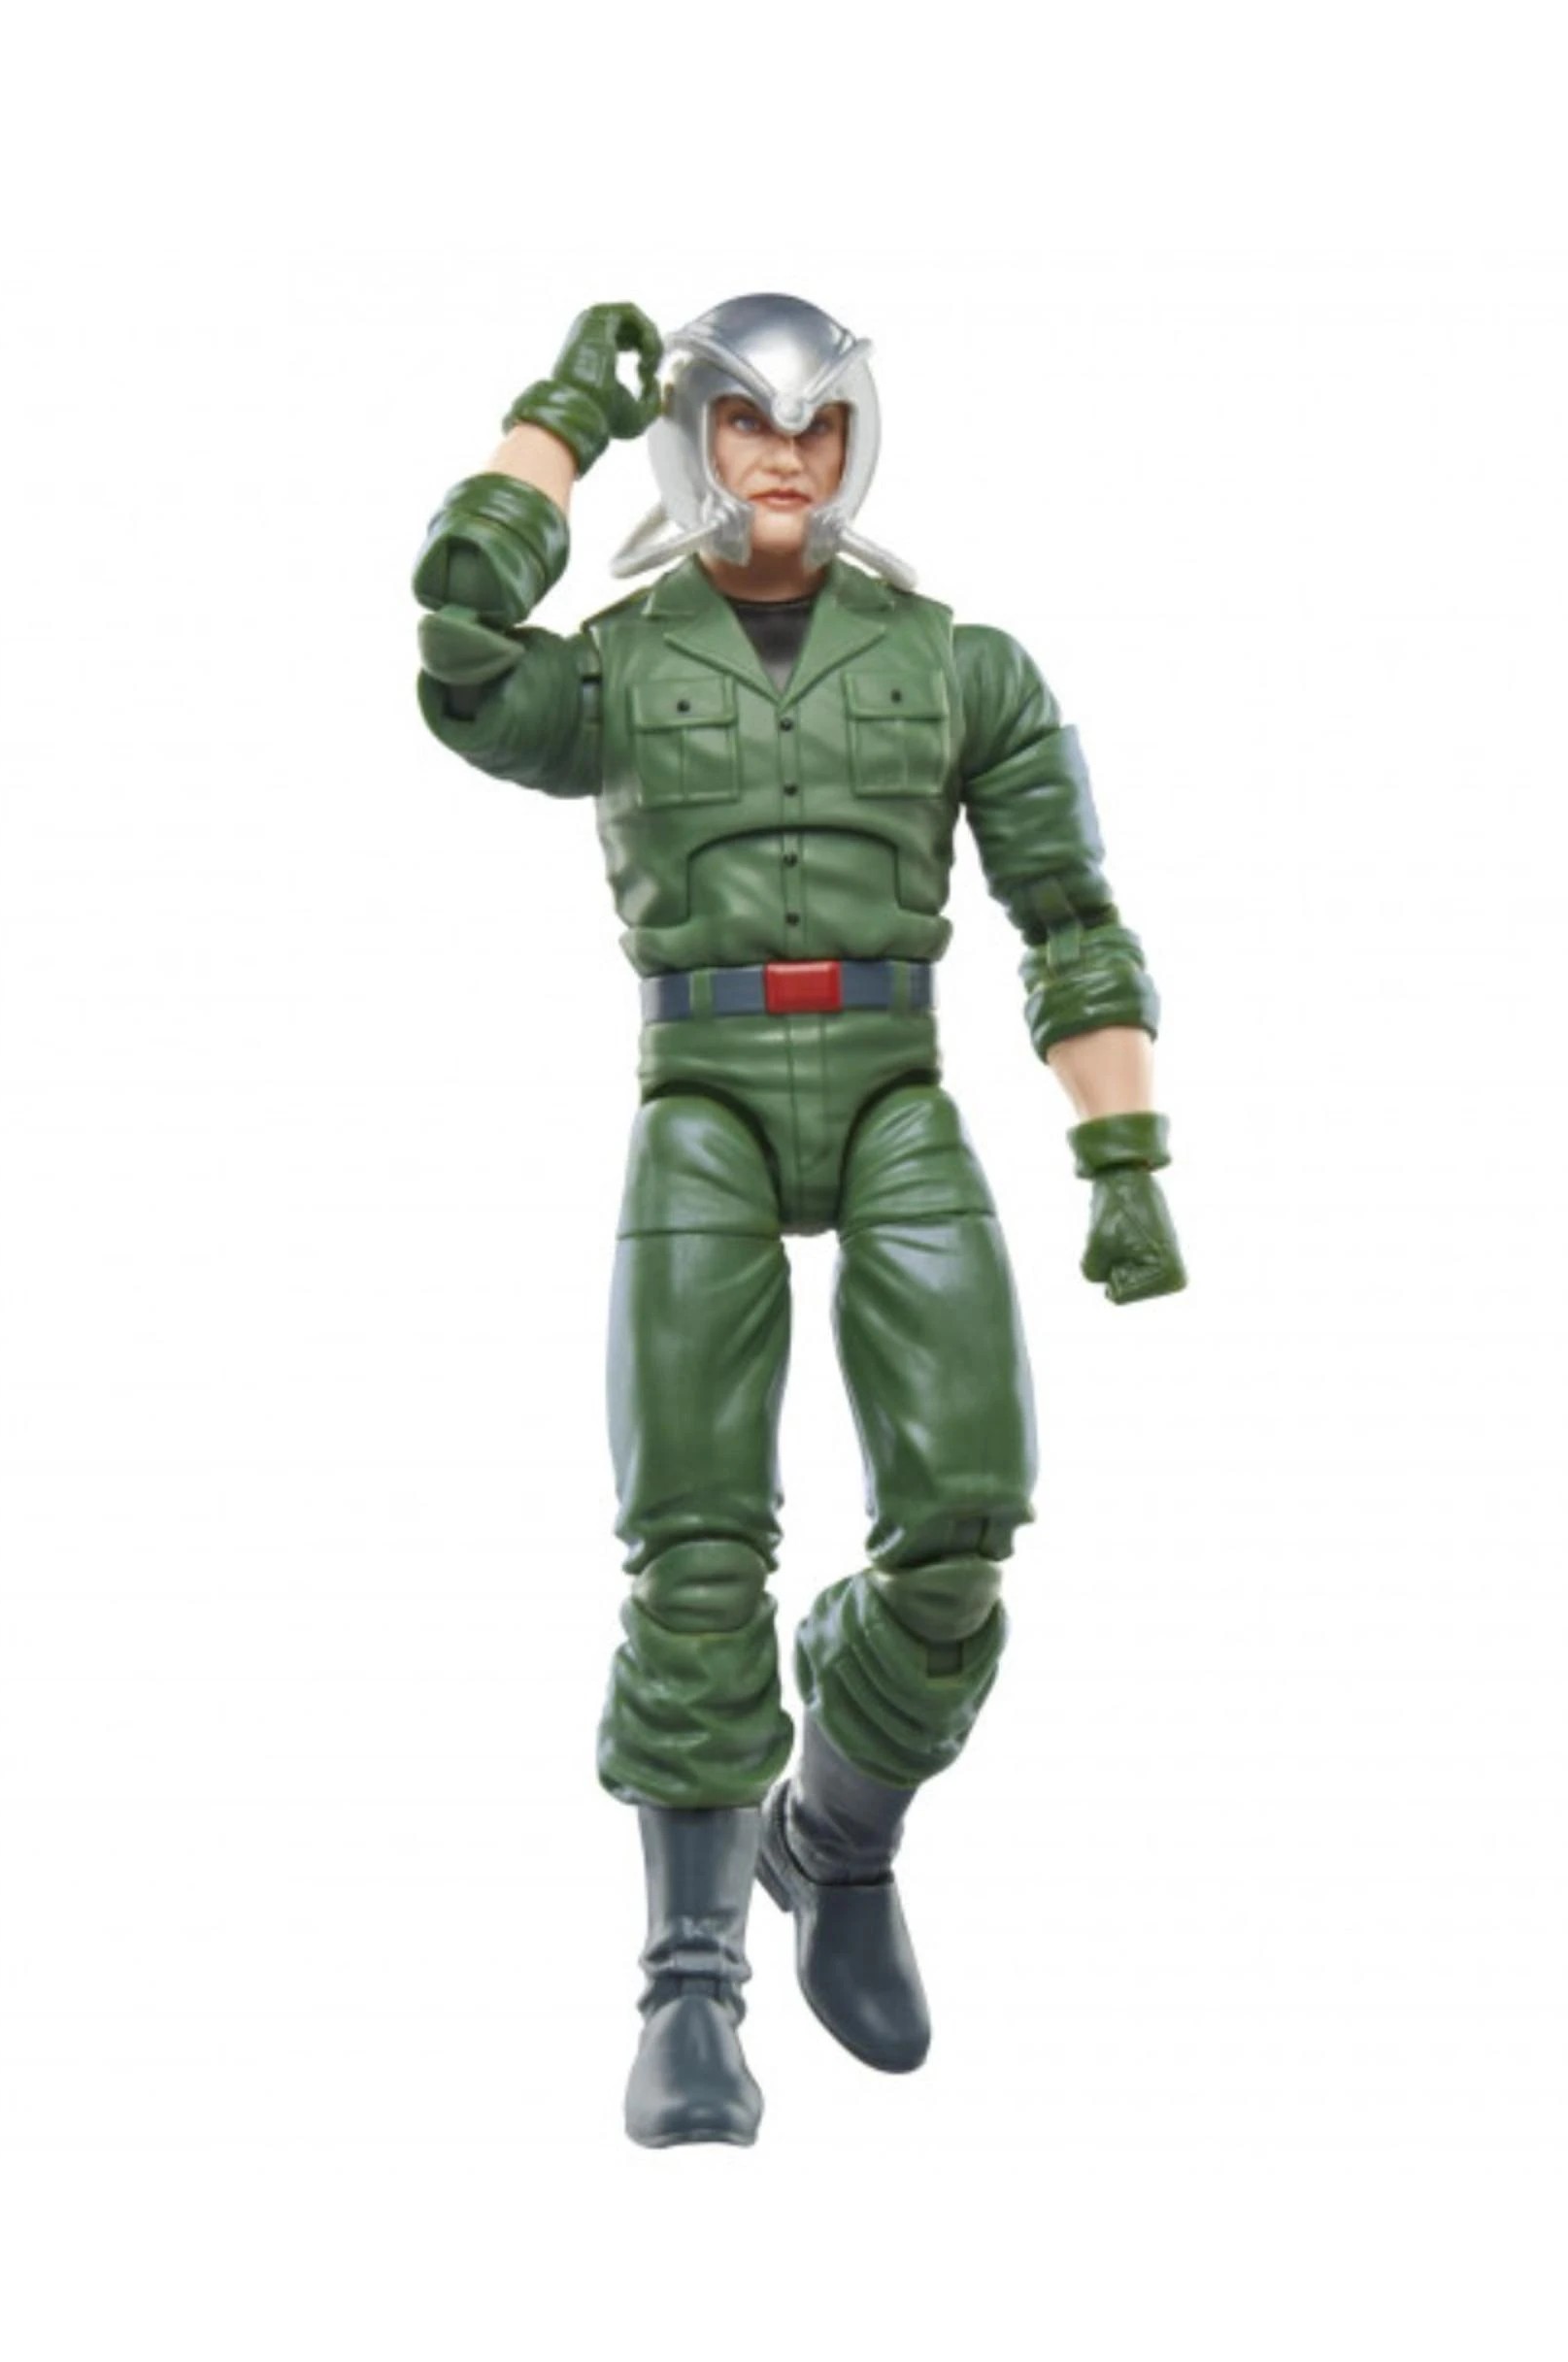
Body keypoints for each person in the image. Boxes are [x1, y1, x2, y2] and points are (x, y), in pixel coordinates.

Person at [413, 296, 1186, 2147]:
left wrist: (1123, 1161)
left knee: (966, 1514)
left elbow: (1072, 917)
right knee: (694, 1544)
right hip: (701, 1097)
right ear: (693, 440)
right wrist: (556, 421)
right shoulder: (618, 664)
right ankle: (690, 1985)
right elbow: (458, 645)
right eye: (745, 423)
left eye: (817, 426)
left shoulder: (957, 665)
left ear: (858, 441)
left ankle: (835, 1840)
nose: (784, 456)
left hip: (894, 1078)